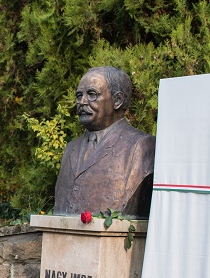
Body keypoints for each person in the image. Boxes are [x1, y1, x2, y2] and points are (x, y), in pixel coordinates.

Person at [52, 66, 155, 217]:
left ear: (117, 100)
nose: (82, 101)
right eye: (79, 95)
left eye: (92, 94)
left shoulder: (141, 146)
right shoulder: (71, 148)